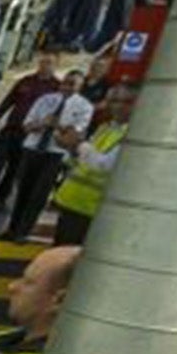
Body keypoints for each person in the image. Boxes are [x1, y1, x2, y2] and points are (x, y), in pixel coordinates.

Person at [5, 69, 93, 241]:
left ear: (80, 87)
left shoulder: (84, 107)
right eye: (65, 83)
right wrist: (43, 123)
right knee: (23, 189)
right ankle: (12, 227)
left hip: (55, 153)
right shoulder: (46, 99)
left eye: (72, 84)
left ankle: (23, 231)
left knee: (39, 194)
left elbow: (75, 135)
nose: (67, 87)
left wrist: (58, 125)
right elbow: (27, 125)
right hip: (33, 148)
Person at [0, 52, 60, 214]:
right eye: (43, 62)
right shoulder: (26, 81)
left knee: (14, 170)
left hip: (30, 135)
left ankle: (0, 199)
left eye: (49, 63)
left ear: (55, 66)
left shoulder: (56, 88)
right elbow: (8, 100)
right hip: (11, 129)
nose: (45, 65)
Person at [48, 83, 133, 246]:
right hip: (72, 202)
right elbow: (82, 160)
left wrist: (77, 143)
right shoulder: (105, 128)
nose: (117, 106)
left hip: (91, 209)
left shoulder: (131, 133)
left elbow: (105, 164)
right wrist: (71, 148)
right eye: (114, 101)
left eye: (125, 101)